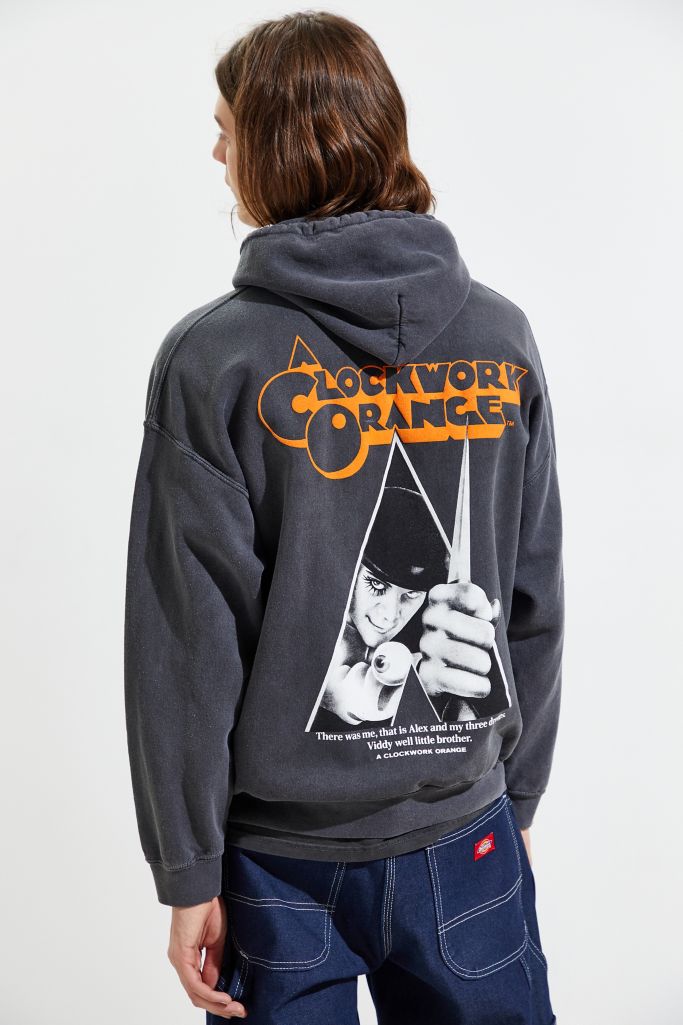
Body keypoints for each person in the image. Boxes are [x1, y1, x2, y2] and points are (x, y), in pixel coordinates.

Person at [123, 10, 564, 1024]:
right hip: (464, 830)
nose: (217, 153)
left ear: (279, 143)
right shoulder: (500, 339)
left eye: (227, 128)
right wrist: (516, 797)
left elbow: (185, 642)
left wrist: (188, 867)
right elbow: (533, 594)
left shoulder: (215, 359)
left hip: (278, 865)